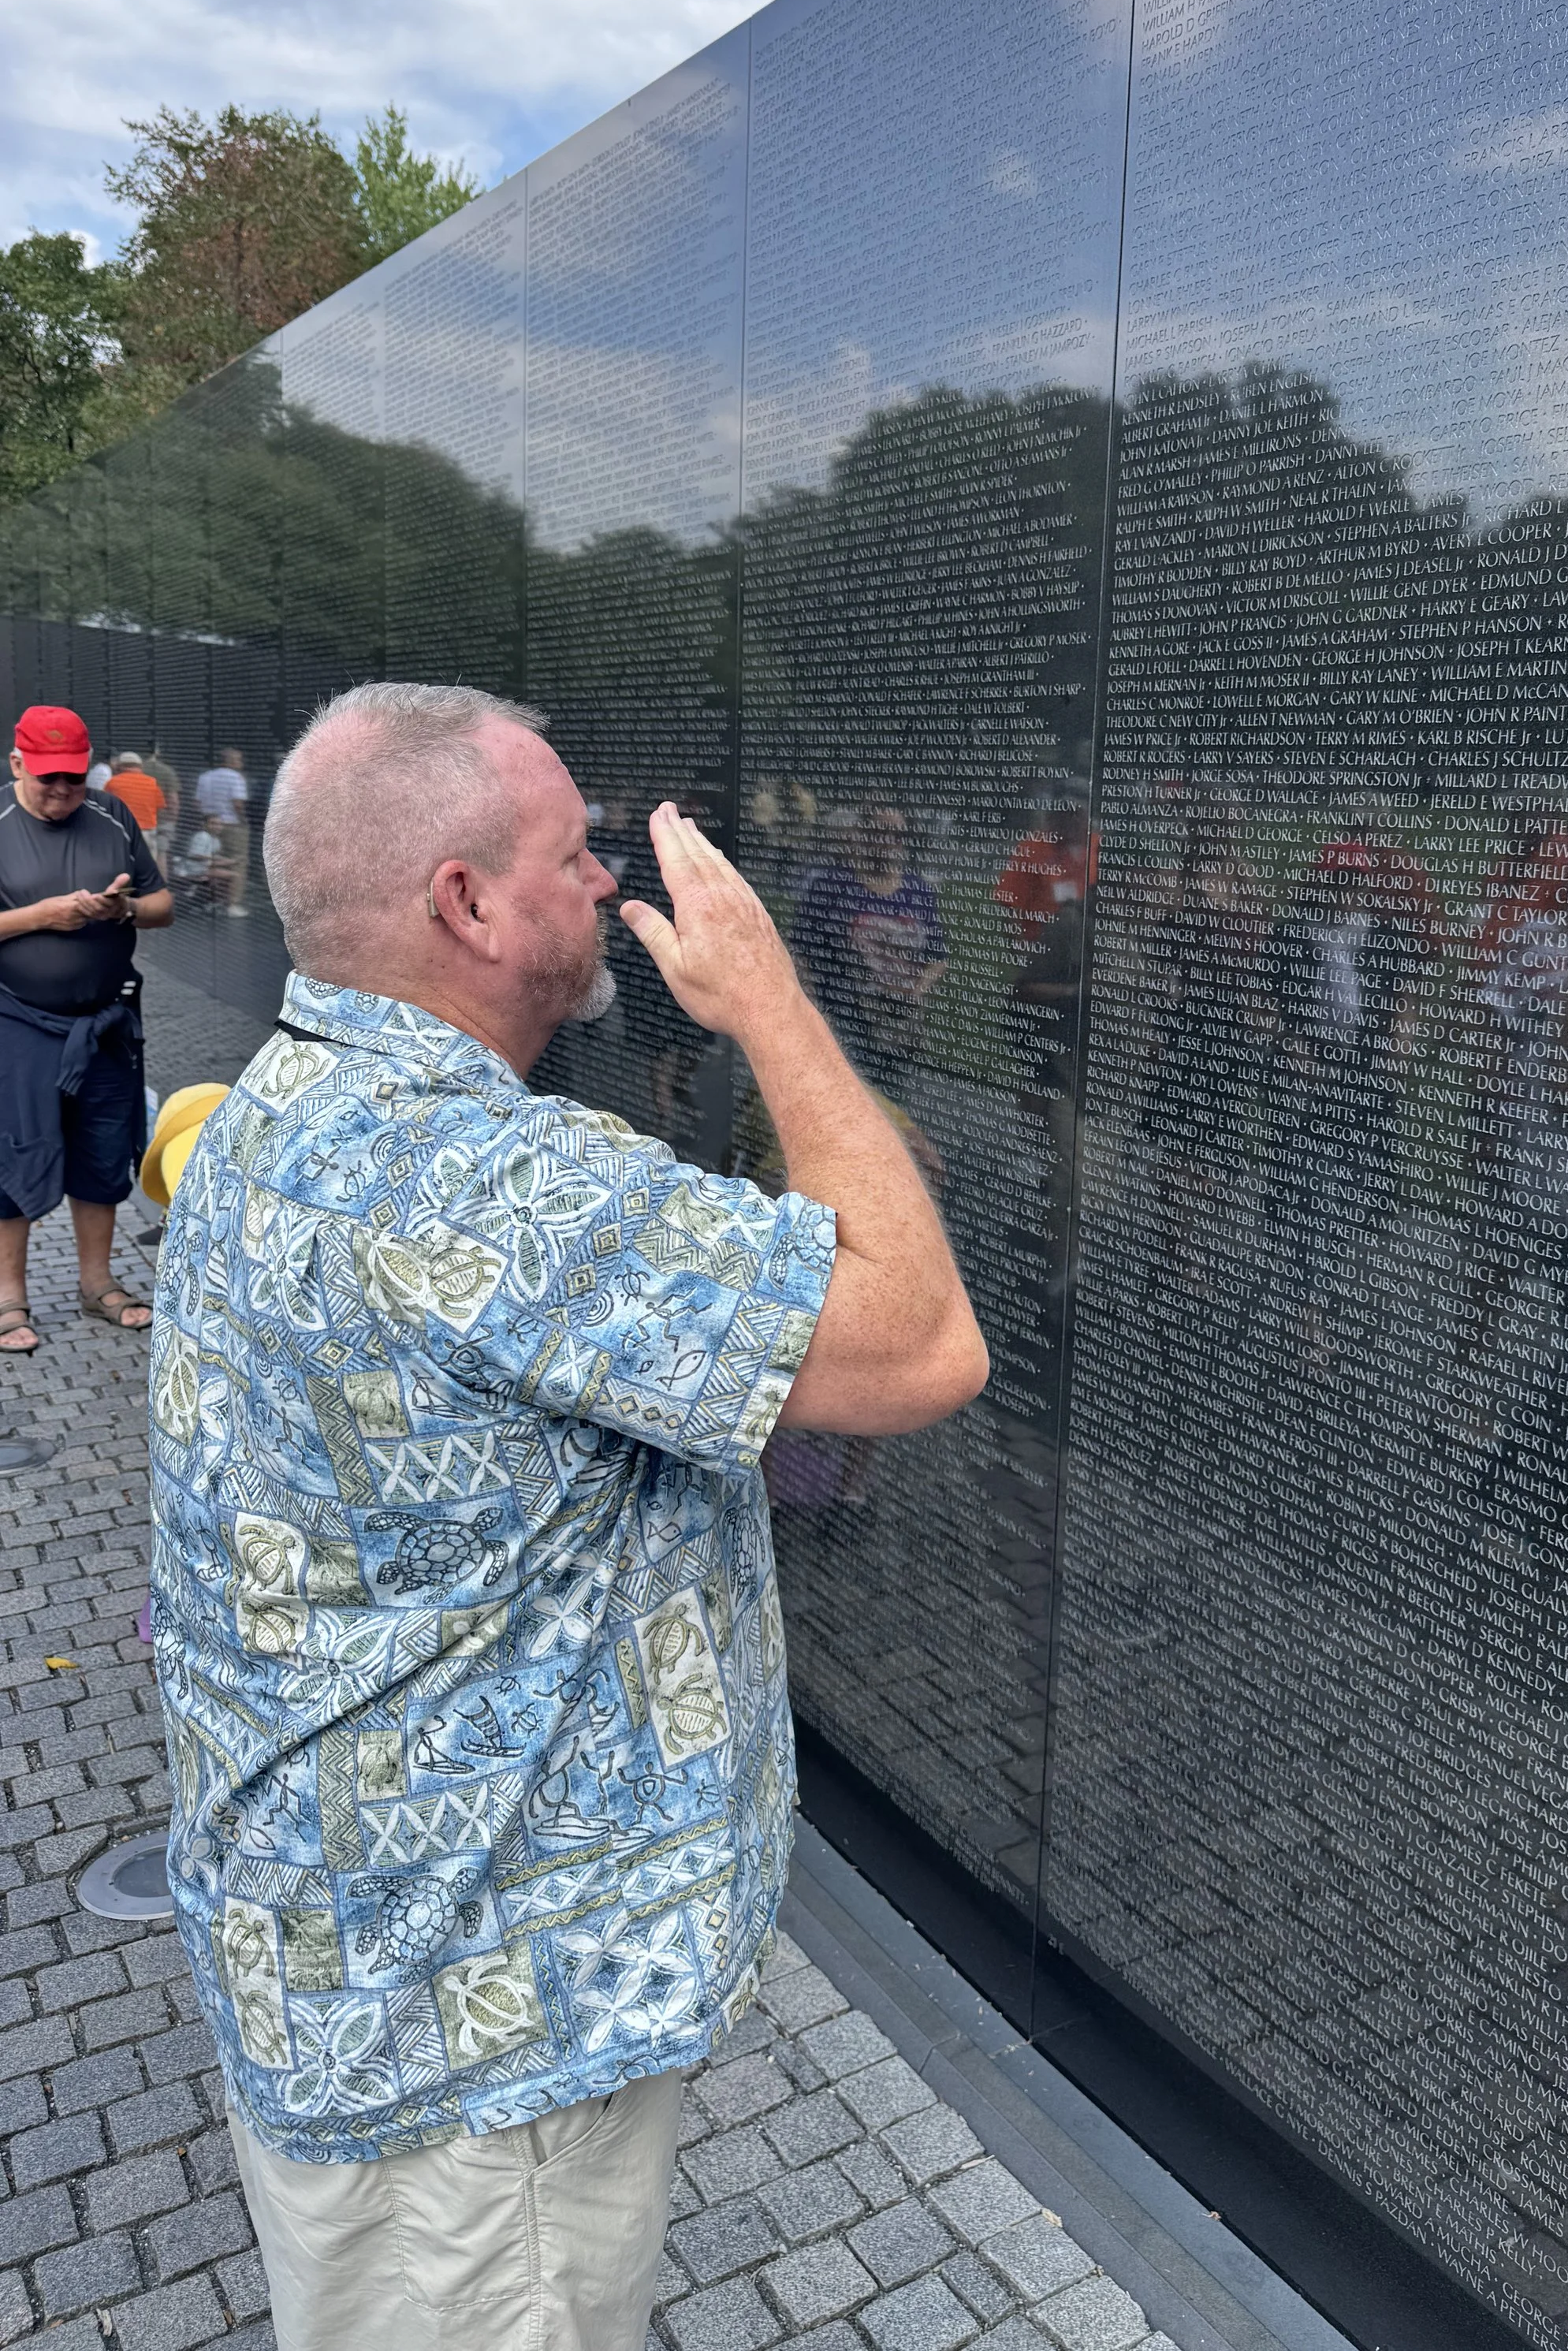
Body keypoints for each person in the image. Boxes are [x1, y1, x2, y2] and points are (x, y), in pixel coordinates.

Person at [148, 680, 986, 2351]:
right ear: (464, 900)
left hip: (344, 1970)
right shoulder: (498, 1191)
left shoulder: (269, 1111)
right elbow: (918, 1340)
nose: (611, 875)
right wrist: (772, 1005)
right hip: (474, 2068)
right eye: (574, 846)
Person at [0, 704, 173, 1351]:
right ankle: (8, 1296)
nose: (63, 791)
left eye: (73, 777)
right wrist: (42, 916)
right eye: (48, 778)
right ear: (17, 763)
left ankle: (97, 1283)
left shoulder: (112, 815)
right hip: (16, 1020)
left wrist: (123, 907)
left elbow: (163, 907)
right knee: (14, 1152)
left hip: (105, 1025)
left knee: (103, 1153)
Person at [790, 803, 948, 1086]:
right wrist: (812, 1009)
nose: (888, 842)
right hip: (844, 1021)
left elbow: (938, 955)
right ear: (863, 834)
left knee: (893, 1103)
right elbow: (801, 950)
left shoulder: (919, 891)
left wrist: (915, 992)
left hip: (898, 1026)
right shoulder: (831, 886)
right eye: (880, 831)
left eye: (896, 835)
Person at [196, 745, 251, 915]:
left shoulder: (205, 777)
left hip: (209, 823)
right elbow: (238, 804)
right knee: (237, 862)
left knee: (212, 861)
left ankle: (215, 901)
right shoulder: (236, 778)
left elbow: (197, 803)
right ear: (230, 761)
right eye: (238, 759)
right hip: (232, 825)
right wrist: (244, 821)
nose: (241, 763)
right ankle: (233, 904)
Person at [107, 751, 166, 861]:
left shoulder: (112, 783)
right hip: (147, 832)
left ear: (119, 767)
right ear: (140, 766)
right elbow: (160, 807)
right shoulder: (152, 782)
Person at [140, 744, 181, 877]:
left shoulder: (138, 770)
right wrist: (173, 818)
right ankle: (161, 887)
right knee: (161, 854)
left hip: (141, 818)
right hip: (162, 819)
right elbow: (173, 799)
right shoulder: (167, 771)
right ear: (158, 752)